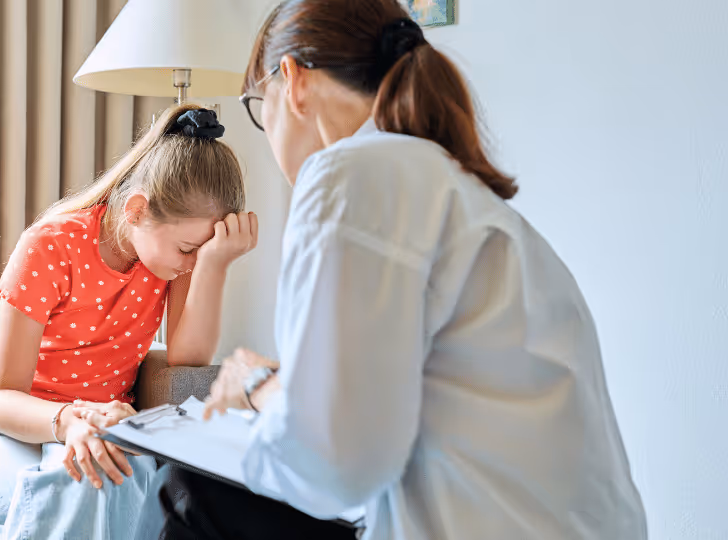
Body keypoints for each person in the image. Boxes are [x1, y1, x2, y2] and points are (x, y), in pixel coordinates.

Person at [85, 1, 649, 539]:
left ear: (293, 80)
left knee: (187, 492)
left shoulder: (351, 175)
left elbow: (333, 466)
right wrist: (285, 389)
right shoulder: (450, 186)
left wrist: (257, 386)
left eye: (260, 107)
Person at [0, 104, 258, 540]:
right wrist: (70, 419)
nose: (191, 263)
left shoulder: (172, 263)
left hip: (98, 429)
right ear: (137, 210)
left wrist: (215, 263)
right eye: (188, 249)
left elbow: (188, 356)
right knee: (71, 493)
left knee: (106, 487)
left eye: (201, 253)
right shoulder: (49, 247)